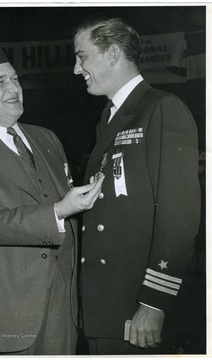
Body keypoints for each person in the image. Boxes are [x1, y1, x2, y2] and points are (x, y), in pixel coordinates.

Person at [0, 39, 104, 356]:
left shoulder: (47, 138)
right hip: (4, 310)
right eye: (0, 82)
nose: (13, 88)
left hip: (62, 307)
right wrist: (58, 210)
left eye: (14, 78)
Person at [73, 16, 201, 354]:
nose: (76, 68)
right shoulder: (110, 118)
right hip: (106, 305)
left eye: (82, 56)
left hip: (135, 308)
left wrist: (155, 302)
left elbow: (179, 215)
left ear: (112, 54)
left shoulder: (161, 109)